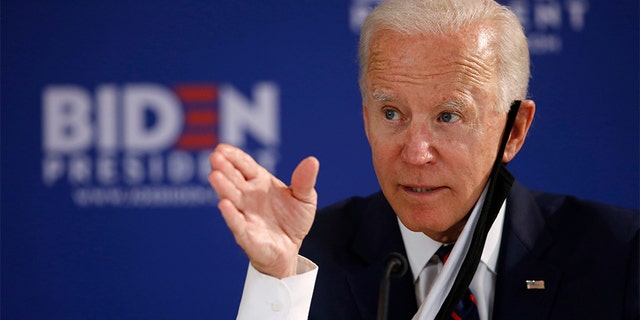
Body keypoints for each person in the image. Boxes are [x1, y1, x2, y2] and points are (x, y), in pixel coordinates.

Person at [208, 0, 639, 319]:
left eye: (448, 116)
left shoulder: (620, 256)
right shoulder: (308, 258)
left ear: (515, 130)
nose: (416, 153)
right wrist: (279, 282)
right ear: (366, 118)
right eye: (391, 113)